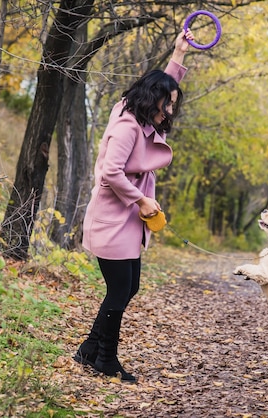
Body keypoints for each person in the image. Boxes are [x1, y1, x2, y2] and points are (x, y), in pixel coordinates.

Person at [74, 29, 195, 383]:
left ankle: (88, 350)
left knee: (130, 286)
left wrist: (179, 54)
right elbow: (110, 172)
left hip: (128, 220)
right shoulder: (128, 126)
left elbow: (163, 85)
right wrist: (141, 198)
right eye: (167, 104)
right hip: (112, 219)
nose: (170, 110)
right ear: (152, 101)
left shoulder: (140, 112)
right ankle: (105, 360)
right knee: (119, 290)